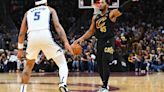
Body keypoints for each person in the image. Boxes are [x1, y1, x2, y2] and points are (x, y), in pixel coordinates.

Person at [73, 0, 138, 91]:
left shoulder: (111, 14)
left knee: (105, 60)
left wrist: (130, 1)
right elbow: (90, 31)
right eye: (99, 3)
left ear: (107, 5)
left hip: (109, 40)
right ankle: (104, 84)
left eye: (102, 2)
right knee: (99, 64)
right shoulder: (95, 17)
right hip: (100, 41)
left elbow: (121, 9)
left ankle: (105, 84)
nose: (100, 4)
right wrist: (80, 39)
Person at [17, 0, 73, 92]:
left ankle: (23, 90)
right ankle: (63, 84)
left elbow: (21, 33)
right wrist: (66, 42)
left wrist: (20, 49)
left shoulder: (28, 13)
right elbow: (57, 27)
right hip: (45, 35)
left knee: (28, 66)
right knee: (62, 63)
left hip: (32, 37)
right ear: (46, 2)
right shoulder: (50, 9)